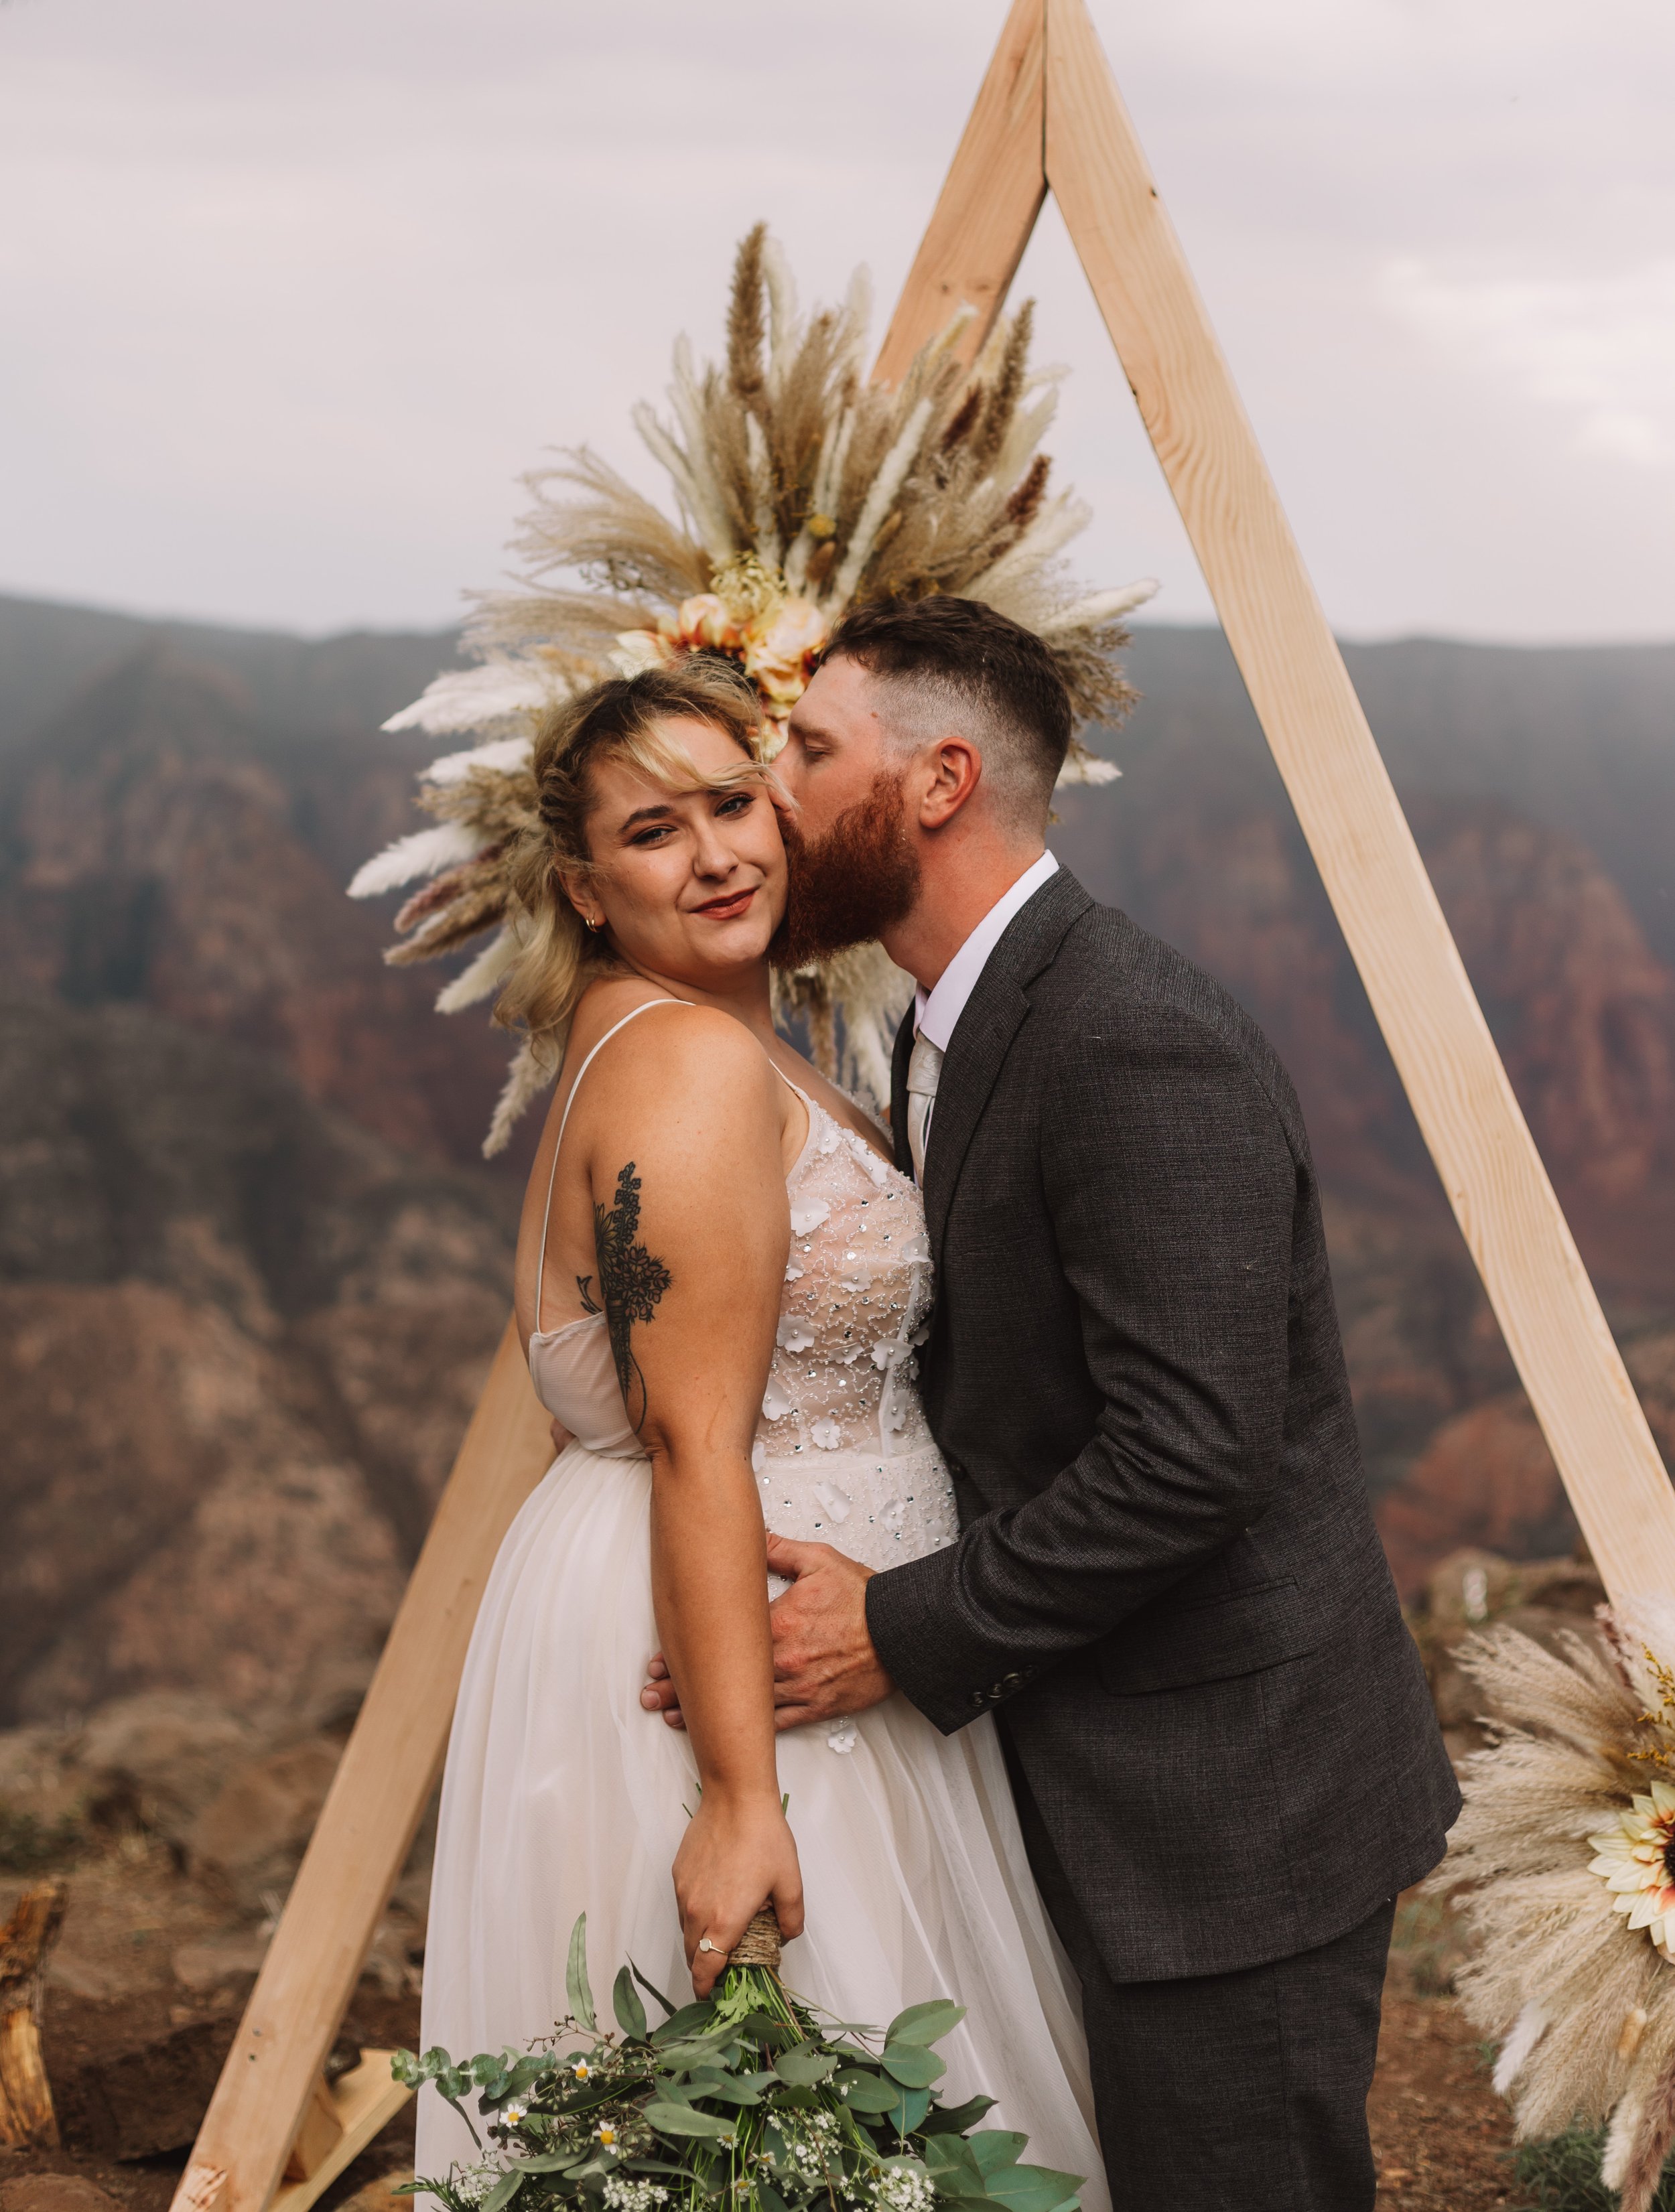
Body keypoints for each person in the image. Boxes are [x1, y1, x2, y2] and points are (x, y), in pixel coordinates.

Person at [642, 597, 1462, 2211]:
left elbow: (1191, 1454)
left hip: (1229, 1811)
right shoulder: (945, 1019)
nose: (773, 797)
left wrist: (897, 1626)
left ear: (936, 781)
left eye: (809, 753)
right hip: (1095, 1770)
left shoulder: (1132, 1039)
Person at [414, 659, 1106, 2206]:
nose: (717, 855)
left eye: (733, 803)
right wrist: (737, 1801)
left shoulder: (715, 1033)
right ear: (585, 888)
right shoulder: (683, 1064)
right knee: (797, 2113)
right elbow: (693, 1441)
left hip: (812, 1626)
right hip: (754, 1663)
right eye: (653, 832)